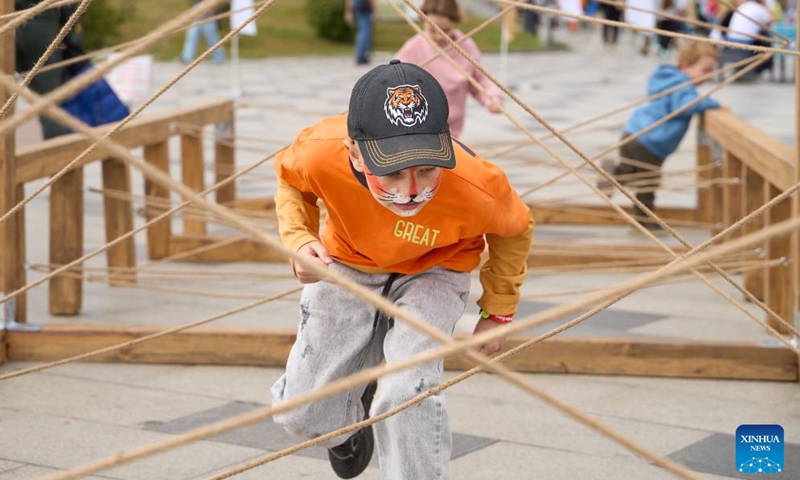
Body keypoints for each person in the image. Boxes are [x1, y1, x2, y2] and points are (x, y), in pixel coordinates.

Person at [270, 60, 534, 480]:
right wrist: (299, 240)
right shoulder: (320, 149)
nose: (411, 191)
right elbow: (290, 181)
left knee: (405, 393)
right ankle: (347, 427)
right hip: (350, 261)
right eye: (391, 173)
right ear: (354, 152)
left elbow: (515, 230)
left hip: (437, 267)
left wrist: (497, 312)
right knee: (302, 414)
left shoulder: (477, 184)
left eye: (426, 169)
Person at [599, 41, 724, 234]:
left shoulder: (667, 79)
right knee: (648, 183)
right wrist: (713, 104)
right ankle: (644, 221)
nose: (708, 76)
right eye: (704, 70)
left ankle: (613, 174)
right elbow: (688, 105)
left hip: (634, 132)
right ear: (686, 64)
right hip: (650, 142)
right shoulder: (682, 85)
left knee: (634, 173)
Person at [394, 0, 503, 138]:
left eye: (445, 31)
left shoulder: (465, 46)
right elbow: (392, 78)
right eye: (433, 30)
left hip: (452, 130)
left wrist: (492, 99)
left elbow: (479, 80)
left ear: (455, 21)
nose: (439, 36)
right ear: (424, 21)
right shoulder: (414, 47)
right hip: (420, 128)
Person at [15, 0, 73, 139]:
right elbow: (69, 10)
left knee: (4, 100)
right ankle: (58, 155)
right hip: (42, 36)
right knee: (49, 103)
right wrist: (72, 43)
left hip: (9, 32)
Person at [180, 0, 225, 65]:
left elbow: (216, 7)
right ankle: (186, 58)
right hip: (196, 20)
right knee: (191, 39)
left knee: (213, 41)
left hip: (209, 20)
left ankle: (219, 58)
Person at [344, 0, 377, 65]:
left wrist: (349, 11)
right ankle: (362, 55)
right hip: (364, 4)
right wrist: (375, 9)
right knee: (365, 31)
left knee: (362, 30)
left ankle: (361, 54)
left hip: (357, 4)